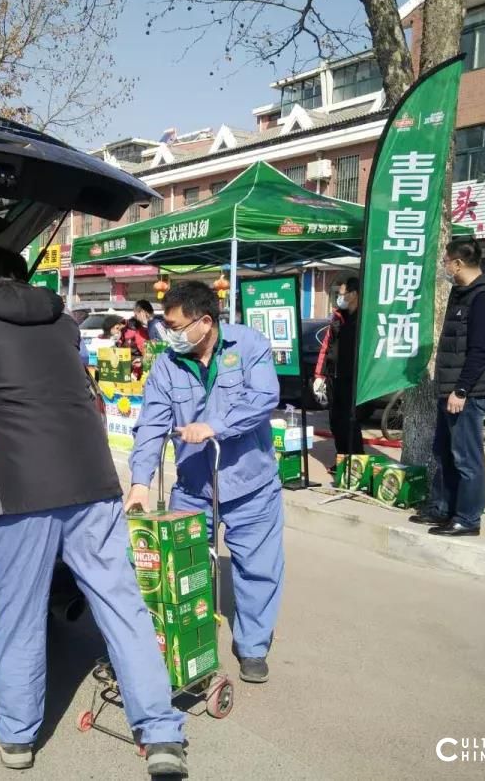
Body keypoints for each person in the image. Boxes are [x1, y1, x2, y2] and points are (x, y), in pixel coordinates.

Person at [0, 248, 187, 775]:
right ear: (25, 277)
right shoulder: (65, 322)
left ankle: (17, 738)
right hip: (92, 482)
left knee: (19, 615)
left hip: (20, 491)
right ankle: (161, 735)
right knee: (122, 606)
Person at [125, 281, 284, 684]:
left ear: (205, 321)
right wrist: (140, 482)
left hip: (251, 485)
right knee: (182, 569)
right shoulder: (166, 364)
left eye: (175, 325)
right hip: (194, 487)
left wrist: (213, 426)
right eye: (165, 325)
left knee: (258, 569)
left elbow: (264, 398)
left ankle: (252, 647)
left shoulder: (248, 345)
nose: (169, 333)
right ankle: (187, 644)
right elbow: (151, 425)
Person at [409, 239, 485, 537]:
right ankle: (443, 508)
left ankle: (467, 519)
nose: (444, 266)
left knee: (466, 457)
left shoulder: (484, 297)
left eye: (446, 261)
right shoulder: (464, 292)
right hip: (450, 388)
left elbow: (480, 350)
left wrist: (462, 390)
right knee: (444, 450)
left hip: (468, 391)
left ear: (458, 263)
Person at [312, 277, 365, 471]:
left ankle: (357, 464)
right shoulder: (338, 317)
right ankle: (342, 461)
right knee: (336, 422)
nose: (339, 298)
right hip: (336, 377)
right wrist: (319, 376)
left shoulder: (364, 318)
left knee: (351, 422)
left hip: (356, 379)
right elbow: (326, 347)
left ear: (353, 294)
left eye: (342, 293)